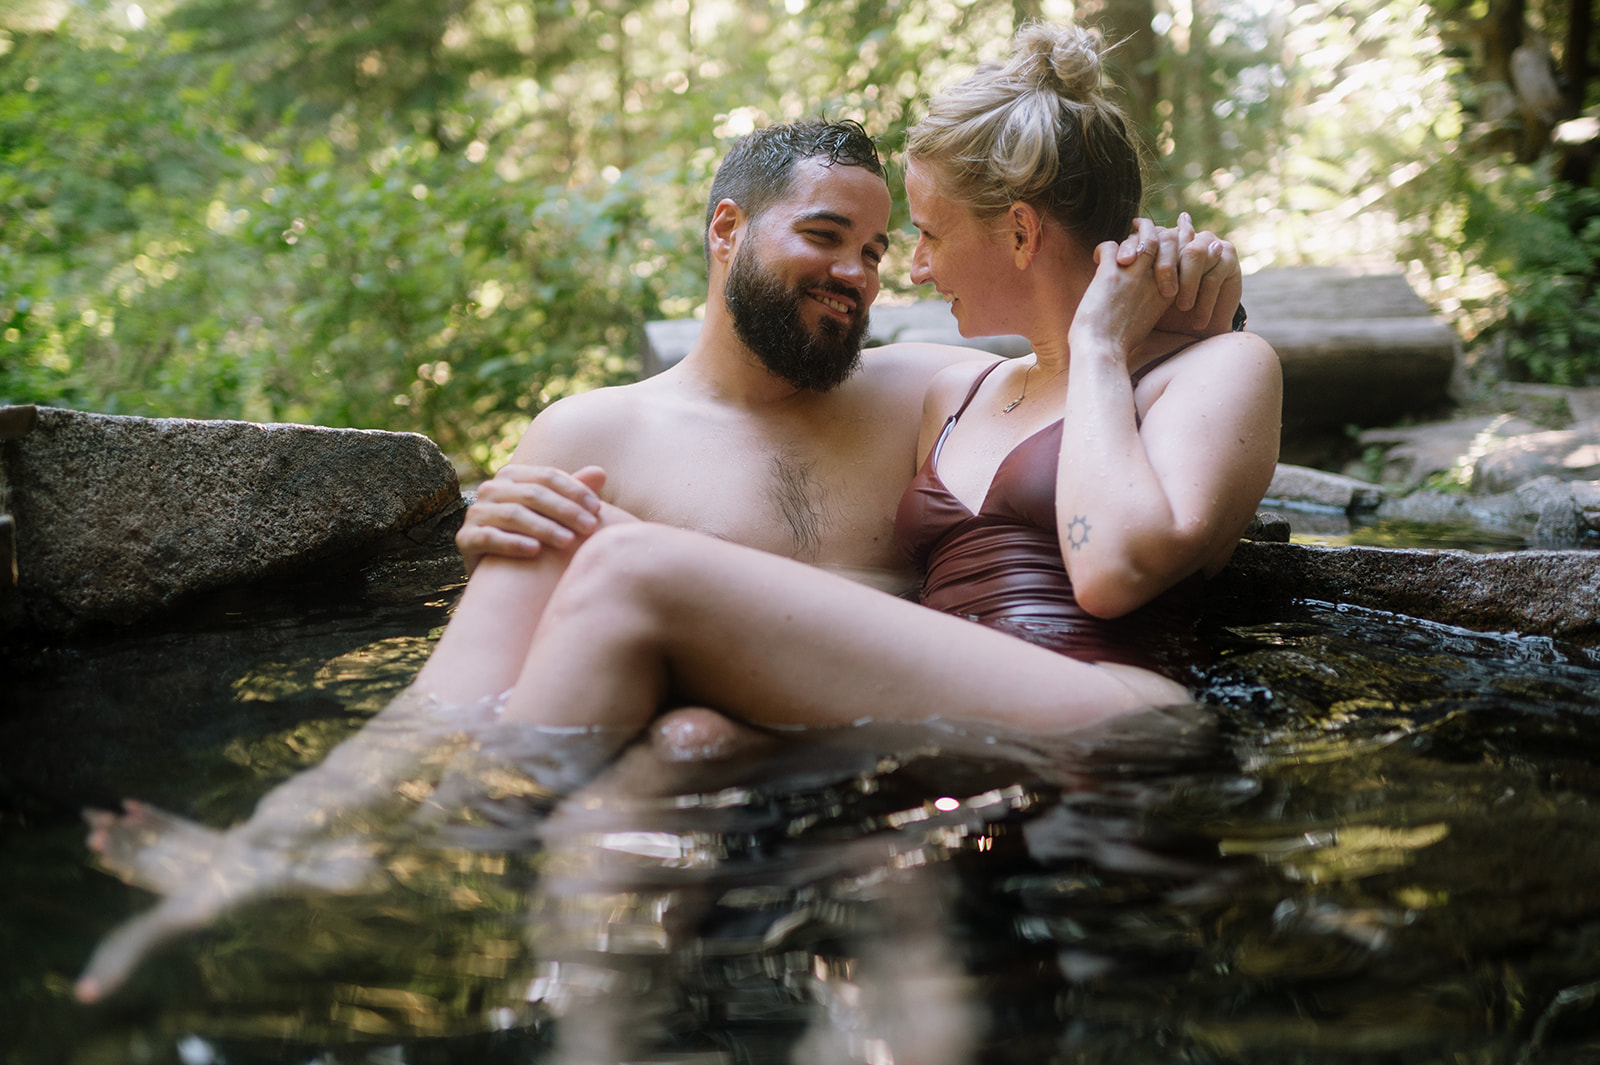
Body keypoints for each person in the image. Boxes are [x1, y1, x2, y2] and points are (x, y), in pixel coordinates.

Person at [74, 31, 1259, 1004]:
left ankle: (424, 854)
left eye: (895, 243)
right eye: (828, 239)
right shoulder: (608, 434)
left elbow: (1103, 406)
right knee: (671, 736)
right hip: (798, 773)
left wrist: (1182, 288)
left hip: (1004, 747)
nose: (873, 274)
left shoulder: (926, 386)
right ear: (727, 231)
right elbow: (457, 688)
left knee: (635, 580)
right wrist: (479, 521)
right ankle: (326, 858)